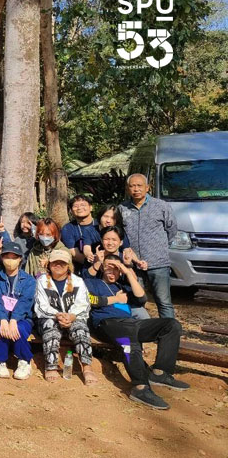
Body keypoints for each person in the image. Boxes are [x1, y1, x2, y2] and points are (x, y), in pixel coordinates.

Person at [85, 253, 188, 410]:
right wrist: (115, 300)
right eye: (109, 267)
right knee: (129, 340)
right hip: (107, 324)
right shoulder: (93, 283)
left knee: (171, 325)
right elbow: (88, 300)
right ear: (103, 268)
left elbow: (141, 298)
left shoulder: (124, 288)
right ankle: (140, 388)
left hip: (132, 324)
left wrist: (127, 272)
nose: (112, 271)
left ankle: (160, 373)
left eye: (116, 268)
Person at [118, 174, 178, 319]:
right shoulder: (122, 208)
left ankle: (168, 334)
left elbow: (172, 230)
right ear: (127, 189)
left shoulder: (161, 206)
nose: (136, 189)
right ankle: (140, 333)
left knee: (163, 301)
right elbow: (120, 233)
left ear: (147, 187)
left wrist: (159, 248)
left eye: (139, 186)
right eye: (132, 186)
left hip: (158, 262)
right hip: (133, 265)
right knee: (136, 301)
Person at [34, 250, 97, 384]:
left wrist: (72, 316)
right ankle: (51, 366)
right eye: (55, 262)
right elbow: (40, 305)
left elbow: (84, 304)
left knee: (81, 329)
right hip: (50, 317)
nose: (58, 265)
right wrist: (57, 315)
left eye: (62, 263)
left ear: (68, 265)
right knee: (50, 326)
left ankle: (87, 367)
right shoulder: (42, 281)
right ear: (49, 265)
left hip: (73, 317)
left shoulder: (78, 281)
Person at [0, 242, 36, 380]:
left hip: (22, 318)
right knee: (2, 330)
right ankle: (0, 360)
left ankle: (24, 360)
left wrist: (13, 319)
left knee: (18, 329)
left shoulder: (29, 280)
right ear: (1, 258)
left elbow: (25, 302)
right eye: (7, 257)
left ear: (20, 259)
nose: (10, 261)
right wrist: (3, 319)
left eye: (14, 257)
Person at [88, 227, 149, 319]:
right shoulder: (95, 257)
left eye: (114, 240)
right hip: (101, 299)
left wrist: (127, 265)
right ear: (101, 240)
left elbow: (134, 282)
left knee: (141, 314)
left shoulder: (125, 257)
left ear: (121, 242)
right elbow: (87, 278)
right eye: (106, 239)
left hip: (124, 299)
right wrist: (97, 263)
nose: (110, 243)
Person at [60, 195, 101, 274]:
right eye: (75, 206)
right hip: (82, 269)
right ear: (71, 210)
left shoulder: (100, 224)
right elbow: (73, 253)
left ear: (91, 207)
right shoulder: (67, 228)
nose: (79, 208)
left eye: (83, 205)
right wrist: (95, 264)